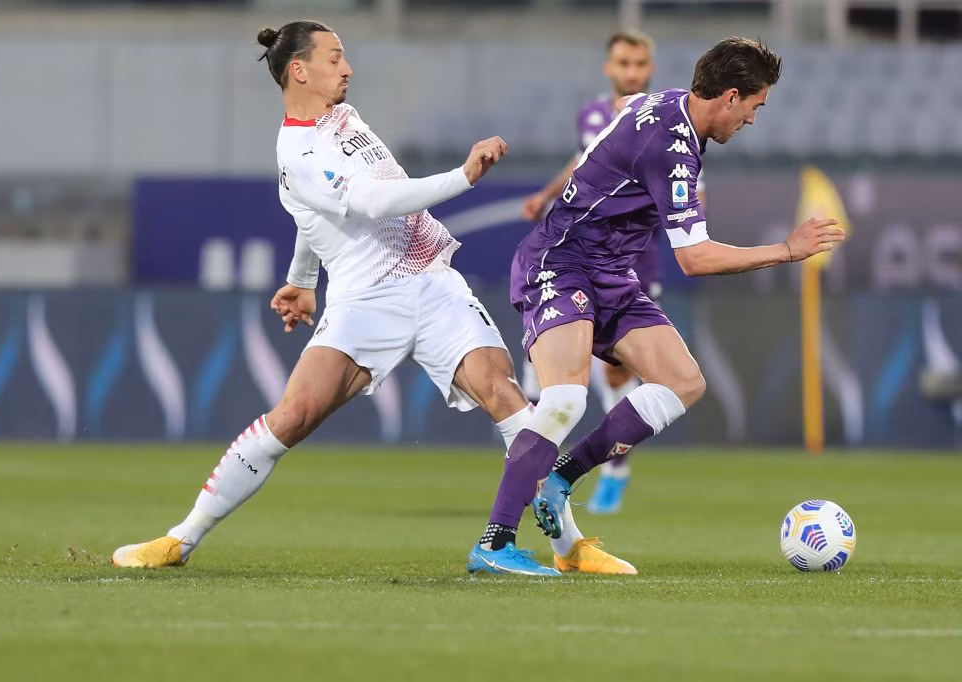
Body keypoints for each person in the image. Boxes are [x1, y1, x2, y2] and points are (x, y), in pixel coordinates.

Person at [111, 21, 631, 577]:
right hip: (366, 300)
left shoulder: (342, 118)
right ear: (299, 70)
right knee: (293, 416)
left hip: (433, 281)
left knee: (507, 397)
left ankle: (568, 547)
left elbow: (310, 213)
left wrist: (301, 279)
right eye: (335, 58)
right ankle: (180, 539)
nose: (348, 68)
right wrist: (463, 176)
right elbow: (373, 202)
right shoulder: (298, 150)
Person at [507, 37, 845, 569]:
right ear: (730, 96)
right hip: (562, 262)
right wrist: (787, 250)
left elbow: (612, 130)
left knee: (684, 381)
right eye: (755, 106)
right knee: (565, 398)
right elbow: (695, 258)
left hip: (609, 272)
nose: (753, 119)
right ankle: (496, 542)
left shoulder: (664, 103)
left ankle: (561, 480)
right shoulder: (672, 147)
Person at [521, 30, 707, 515]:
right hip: (579, 251)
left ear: (650, 67)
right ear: (609, 67)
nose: (632, 72)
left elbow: (690, 192)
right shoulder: (594, 115)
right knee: (564, 370)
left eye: (639, 63)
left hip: (633, 258)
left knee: (620, 366)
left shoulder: (670, 122)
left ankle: (613, 465)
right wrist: (546, 195)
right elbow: (584, 162)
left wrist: (688, 223)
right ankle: (544, 475)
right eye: (624, 63)